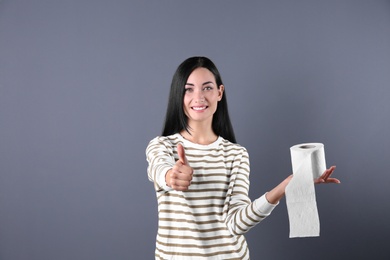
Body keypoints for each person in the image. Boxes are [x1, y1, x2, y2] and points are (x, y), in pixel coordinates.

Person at [146, 56, 340, 259]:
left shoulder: (236, 154)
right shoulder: (162, 146)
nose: (199, 97)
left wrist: (285, 186)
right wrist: (171, 176)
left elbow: (236, 223)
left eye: (207, 88)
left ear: (219, 92)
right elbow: (159, 169)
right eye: (189, 89)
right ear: (179, 95)